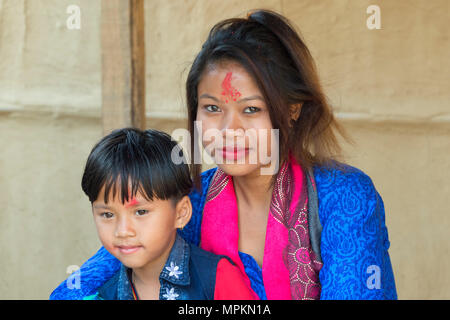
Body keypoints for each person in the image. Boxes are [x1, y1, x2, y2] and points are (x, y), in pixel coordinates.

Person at [51, 9, 397, 300]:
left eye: (250, 110)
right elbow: (74, 290)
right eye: (212, 107)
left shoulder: (343, 196)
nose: (228, 130)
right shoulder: (189, 202)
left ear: (292, 109)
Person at [61, 128, 256, 300]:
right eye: (107, 215)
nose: (122, 231)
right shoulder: (100, 294)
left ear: (181, 213)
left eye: (141, 212)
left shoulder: (217, 279)